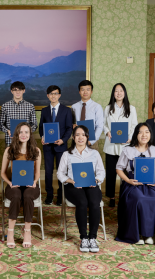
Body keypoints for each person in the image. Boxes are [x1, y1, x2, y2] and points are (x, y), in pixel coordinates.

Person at [115, 123, 155, 247]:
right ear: (136, 134)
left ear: (150, 134)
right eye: (140, 132)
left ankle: (150, 234)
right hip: (132, 183)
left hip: (151, 183)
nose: (144, 135)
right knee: (138, 199)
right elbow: (119, 169)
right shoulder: (127, 150)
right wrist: (128, 180)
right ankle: (137, 234)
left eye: (147, 132)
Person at [57, 125, 105, 253]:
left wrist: (96, 180)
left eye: (83, 135)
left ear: (87, 137)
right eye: (77, 135)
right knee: (82, 203)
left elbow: (101, 172)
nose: (80, 137)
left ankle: (92, 238)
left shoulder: (94, 153)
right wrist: (69, 180)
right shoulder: (67, 154)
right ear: (73, 137)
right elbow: (60, 173)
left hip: (91, 184)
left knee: (94, 203)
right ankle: (84, 237)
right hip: (73, 186)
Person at [1, 122, 41, 248]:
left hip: (30, 184)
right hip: (14, 184)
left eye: (26, 132)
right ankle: (10, 231)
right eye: (21, 132)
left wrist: (34, 182)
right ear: (16, 134)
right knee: (16, 195)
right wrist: (10, 183)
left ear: (30, 134)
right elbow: (2, 173)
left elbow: (37, 172)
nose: (23, 135)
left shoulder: (36, 151)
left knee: (28, 196)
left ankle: (27, 231)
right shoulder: (9, 150)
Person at [103, 83, 138, 207]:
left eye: (121, 91)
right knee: (111, 173)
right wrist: (107, 131)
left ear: (125, 93)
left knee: (126, 172)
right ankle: (111, 197)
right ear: (113, 93)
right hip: (111, 146)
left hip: (125, 146)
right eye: (116, 91)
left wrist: (130, 138)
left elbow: (134, 125)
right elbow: (104, 124)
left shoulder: (131, 108)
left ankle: (125, 195)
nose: (118, 93)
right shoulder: (108, 108)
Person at [39, 85, 72, 206]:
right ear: (48, 96)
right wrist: (43, 137)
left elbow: (69, 128)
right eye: (51, 94)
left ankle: (60, 195)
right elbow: (42, 128)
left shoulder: (66, 110)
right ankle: (49, 195)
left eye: (56, 93)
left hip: (61, 147)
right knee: (48, 172)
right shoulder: (44, 110)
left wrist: (63, 140)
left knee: (61, 171)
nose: (53, 96)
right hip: (47, 146)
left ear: (59, 95)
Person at [0, 81, 38, 147]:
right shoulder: (5, 106)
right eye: (15, 90)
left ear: (24, 91)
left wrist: (26, 132)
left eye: (20, 90)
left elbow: (34, 124)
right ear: (11, 91)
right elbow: (0, 124)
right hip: (10, 141)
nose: (17, 92)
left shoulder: (30, 106)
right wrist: (8, 131)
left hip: (26, 142)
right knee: (10, 157)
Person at [71, 80, 103, 150]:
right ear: (79, 92)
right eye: (82, 90)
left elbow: (100, 126)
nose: (85, 92)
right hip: (77, 142)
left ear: (91, 92)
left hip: (91, 142)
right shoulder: (74, 107)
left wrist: (91, 142)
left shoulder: (97, 107)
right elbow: (71, 123)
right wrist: (72, 125)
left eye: (88, 90)